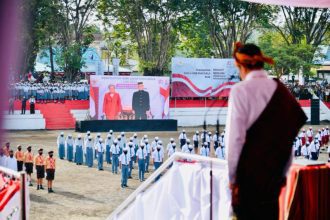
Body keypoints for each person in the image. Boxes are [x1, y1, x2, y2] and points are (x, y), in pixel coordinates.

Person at [227, 42, 306, 219]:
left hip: (249, 179)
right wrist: (282, 173)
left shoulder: (240, 91)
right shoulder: (282, 90)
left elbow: (235, 140)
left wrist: (232, 179)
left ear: (242, 66)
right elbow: (287, 137)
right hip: (274, 178)